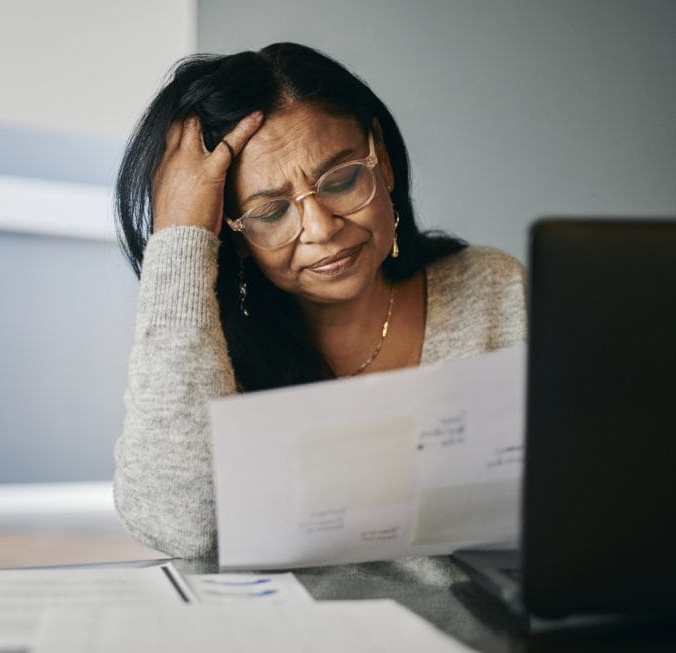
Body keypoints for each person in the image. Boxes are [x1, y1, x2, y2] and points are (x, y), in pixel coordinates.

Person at [113, 42, 526, 559]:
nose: (322, 228)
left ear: (383, 161)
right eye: (270, 212)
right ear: (232, 232)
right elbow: (180, 526)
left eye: (342, 179)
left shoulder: (492, 291)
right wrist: (179, 237)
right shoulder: (207, 350)